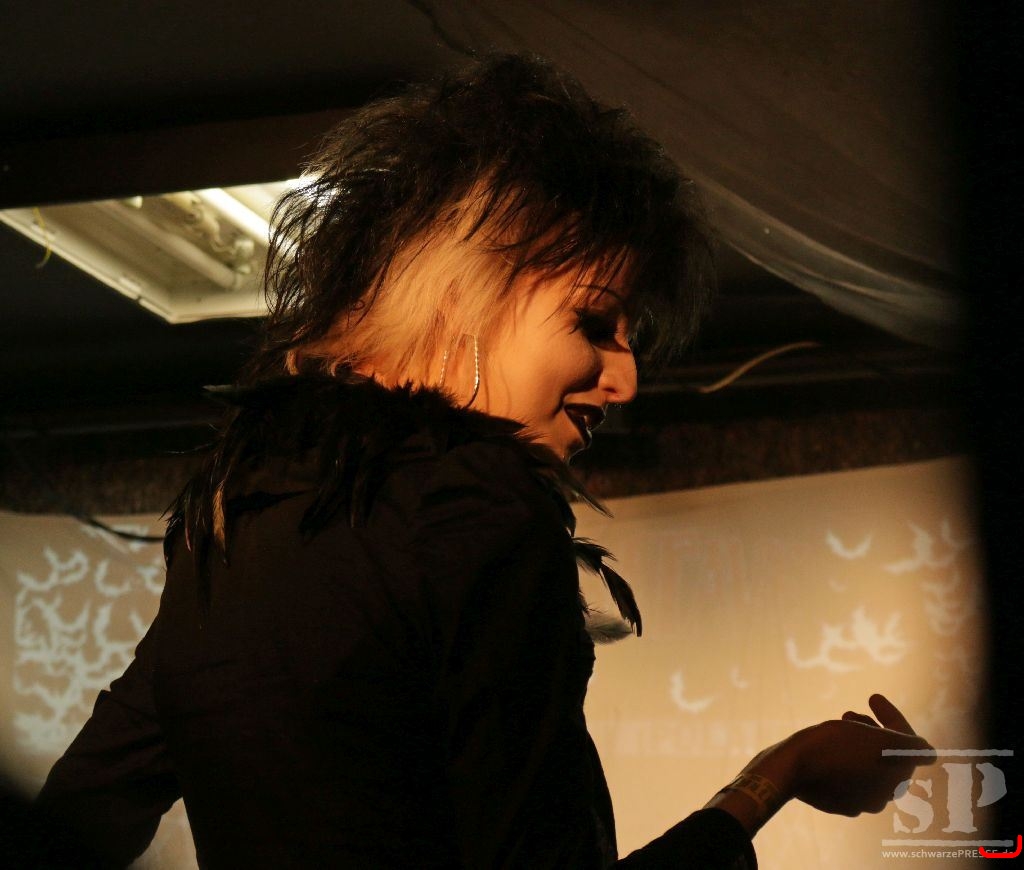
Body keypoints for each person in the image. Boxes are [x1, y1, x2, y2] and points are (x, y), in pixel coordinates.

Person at [35, 54, 933, 868]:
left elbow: (80, 812)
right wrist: (774, 779)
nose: (625, 380)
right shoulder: (476, 507)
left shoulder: (239, 511)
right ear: (463, 297)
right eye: (593, 324)